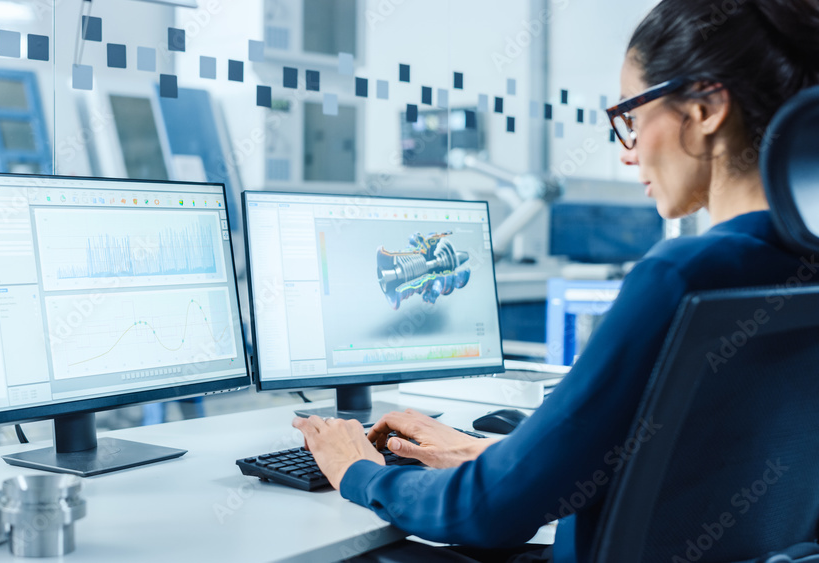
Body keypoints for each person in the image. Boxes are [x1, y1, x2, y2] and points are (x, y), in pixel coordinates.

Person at [292, 0, 819, 561]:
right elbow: (701, 467)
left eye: (633, 119)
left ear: (707, 108)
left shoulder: (679, 276)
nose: (627, 152)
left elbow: (483, 514)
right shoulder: (787, 270)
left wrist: (358, 472)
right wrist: (499, 459)